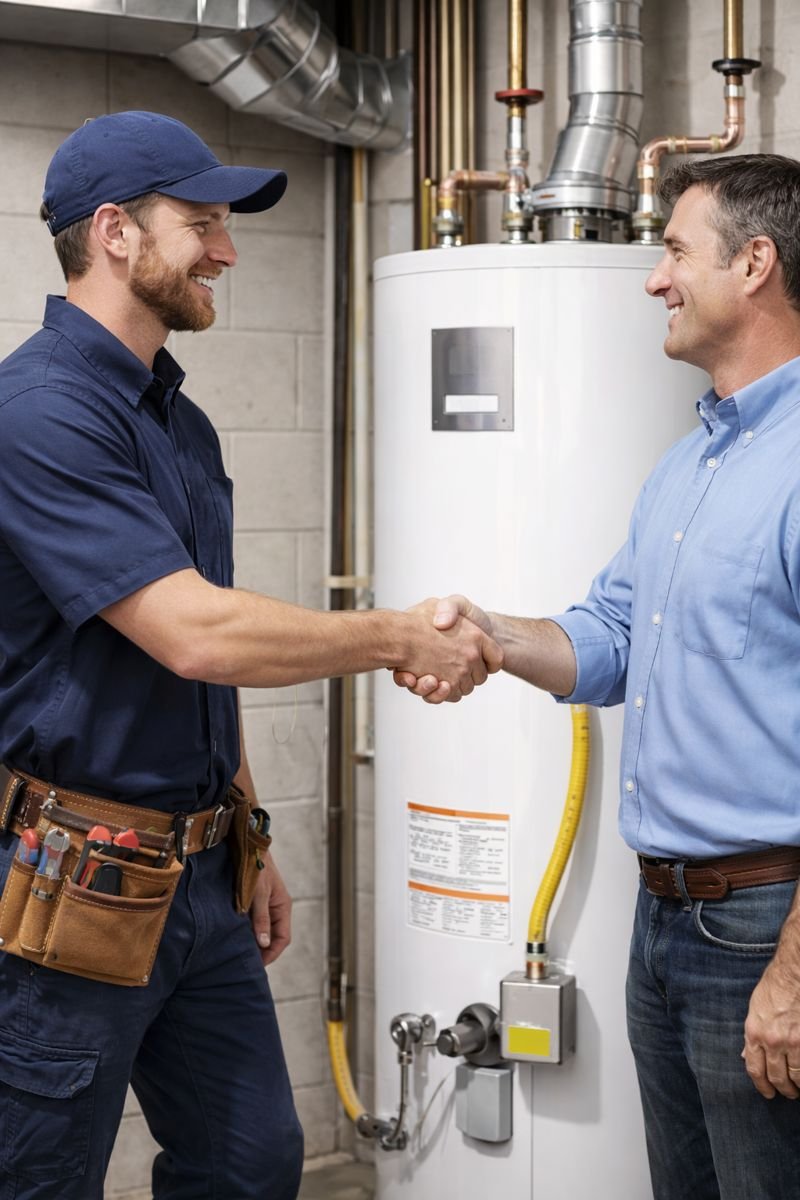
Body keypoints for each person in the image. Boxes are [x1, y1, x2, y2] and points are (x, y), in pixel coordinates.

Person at [0, 110, 502, 1200]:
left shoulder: (180, 425)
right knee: (37, 1178)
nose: (225, 251)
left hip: (201, 874)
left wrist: (248, 831)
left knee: (249, 1164)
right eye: (202, 223)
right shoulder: (40, 412)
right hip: (74, 875)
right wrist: (396, 635)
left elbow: (199, 669)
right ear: (114, 234)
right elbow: (192, 630)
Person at [397, 154, 800, 1200]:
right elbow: (609, 641)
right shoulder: (687, 463)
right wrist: (484, 633)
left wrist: (793, 975)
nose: (651, 279)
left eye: (672, 251)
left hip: (765, 924)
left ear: (753, 264)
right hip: (661, 921)